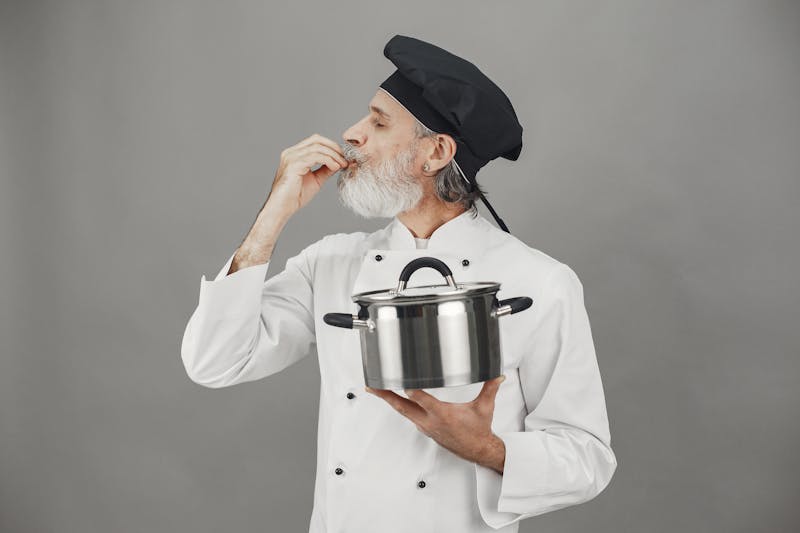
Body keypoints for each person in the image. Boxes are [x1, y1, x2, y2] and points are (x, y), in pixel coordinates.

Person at [181, 35, 617, 533]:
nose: (352, 133)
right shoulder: (333, 263)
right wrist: (273, 214)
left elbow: (588, 459)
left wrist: (488, 449)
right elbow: (214, 362)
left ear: (435, 152)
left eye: (379, 121)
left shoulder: (540, 281)